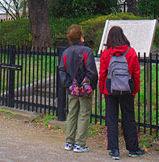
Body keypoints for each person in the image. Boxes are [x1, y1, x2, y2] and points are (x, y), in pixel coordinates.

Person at [99, 25, 145, 159]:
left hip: (110, 90)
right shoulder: (130, 52)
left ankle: (114, 149)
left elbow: (103, 73)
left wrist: (103, 89)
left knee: (111, 118)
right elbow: (136, 73)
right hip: (127, 89)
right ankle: (133, 148)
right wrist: (134, 90)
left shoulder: (106, 53)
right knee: (129, 118)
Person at [58, 24, 97, 153]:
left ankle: (69, 141)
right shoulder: (87, 51)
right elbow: (92, 71)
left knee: (72, 113)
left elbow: (62, 70)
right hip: (84, 88)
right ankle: (80, 143)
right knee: (84, 114)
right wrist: (91, 85)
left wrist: (68, 84)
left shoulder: (66, 52)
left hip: (72, 88)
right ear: (81, 36)